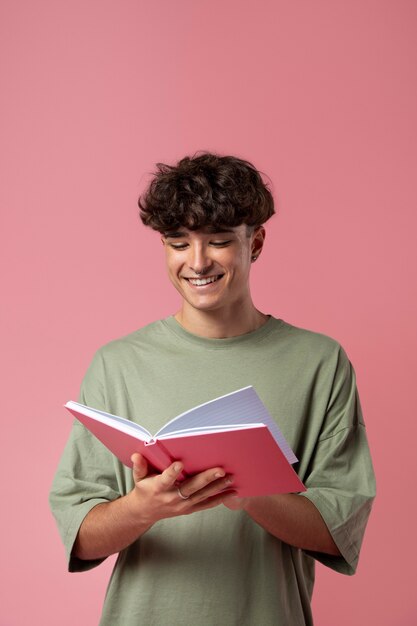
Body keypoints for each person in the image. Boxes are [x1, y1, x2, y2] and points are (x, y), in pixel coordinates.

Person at [49, 153, 376, 626]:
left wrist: (247, 493)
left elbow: (337, 531)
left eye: (219, 242)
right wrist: (143, 508)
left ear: (256, 241)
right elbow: (80, 536)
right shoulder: (117, 363)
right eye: (178, 244)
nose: (197, 262)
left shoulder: (320, 363)